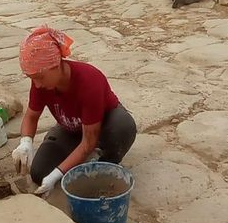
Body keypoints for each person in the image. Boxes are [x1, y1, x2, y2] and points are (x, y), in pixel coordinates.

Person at [11, 27, 137, 195]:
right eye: (32, 79)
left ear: (56, 64)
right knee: (40, 173)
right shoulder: (40, 82)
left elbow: (88, 142)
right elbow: (31, 116)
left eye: (40, 77)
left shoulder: (89, 81)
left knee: (122, 127)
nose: (37, 84)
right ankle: (80, 158)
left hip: (103, 124)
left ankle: (105, 160)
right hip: (71, 127)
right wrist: (25, 143)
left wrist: (57, 175)